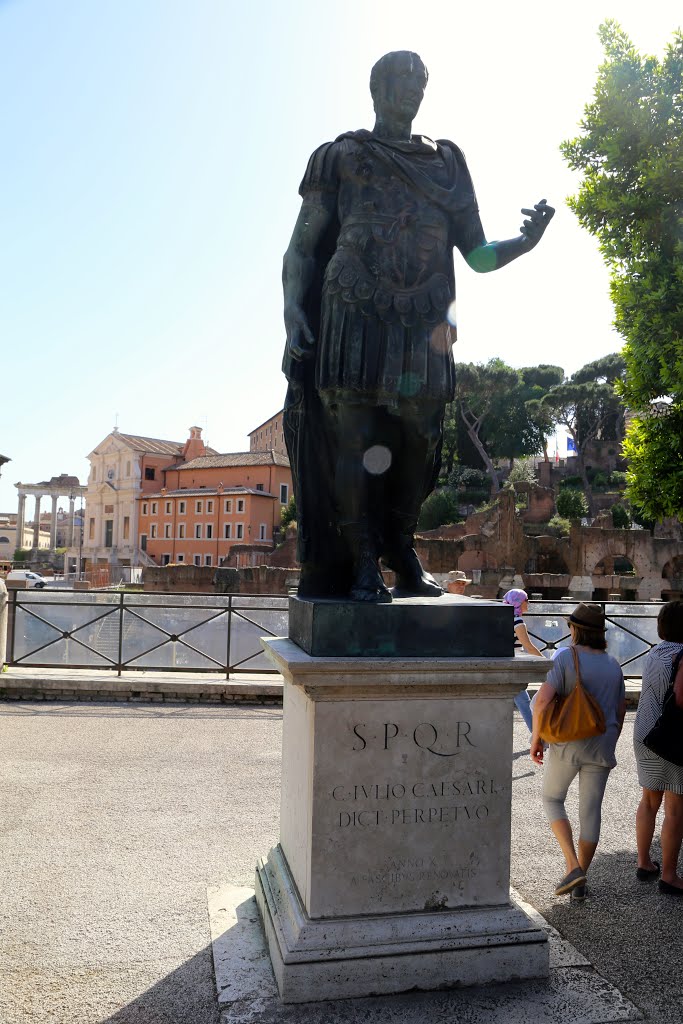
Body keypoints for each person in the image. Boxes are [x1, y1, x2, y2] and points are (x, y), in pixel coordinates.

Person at [282, 50, 554, 601]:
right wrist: (292, 310)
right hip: (352, 308)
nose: (412, 89)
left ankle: (400, 546)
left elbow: (475, 255)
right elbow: (302, 246)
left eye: (420, 81)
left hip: (423, 319)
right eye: (401, 79)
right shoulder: (342, 155)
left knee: (421, 438)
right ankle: (362, 564)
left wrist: (524, 242)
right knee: (354, 440)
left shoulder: (446, 164)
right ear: (376, 89)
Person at [530, 603, 626, 900]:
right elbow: (620, 711)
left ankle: (573, 865)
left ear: (575, 629)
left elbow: (543, 702)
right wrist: (612, 739)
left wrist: (536, 738)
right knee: (591, 810)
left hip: (569, 741)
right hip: (603, 741)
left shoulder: (565, 657)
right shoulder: (613, 664)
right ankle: (580, 879)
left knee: (552, 797)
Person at [633, 599, 683, 896]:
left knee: (649, 801)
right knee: (676, 808)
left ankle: (643, 863)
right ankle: (669, 876)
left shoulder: (655, 652)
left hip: (645, 733)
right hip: (673, 738)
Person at [503, 588, 544, 729]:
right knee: (523, 701)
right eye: (527, 600)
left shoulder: (502, 617)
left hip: (502, 663)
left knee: (521, 700)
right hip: (512, 665)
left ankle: (537, 735)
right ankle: (537, 735)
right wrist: (547, 662)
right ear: (519, 602)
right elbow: (529, 647)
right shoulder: (517, 621)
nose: (529, 603)